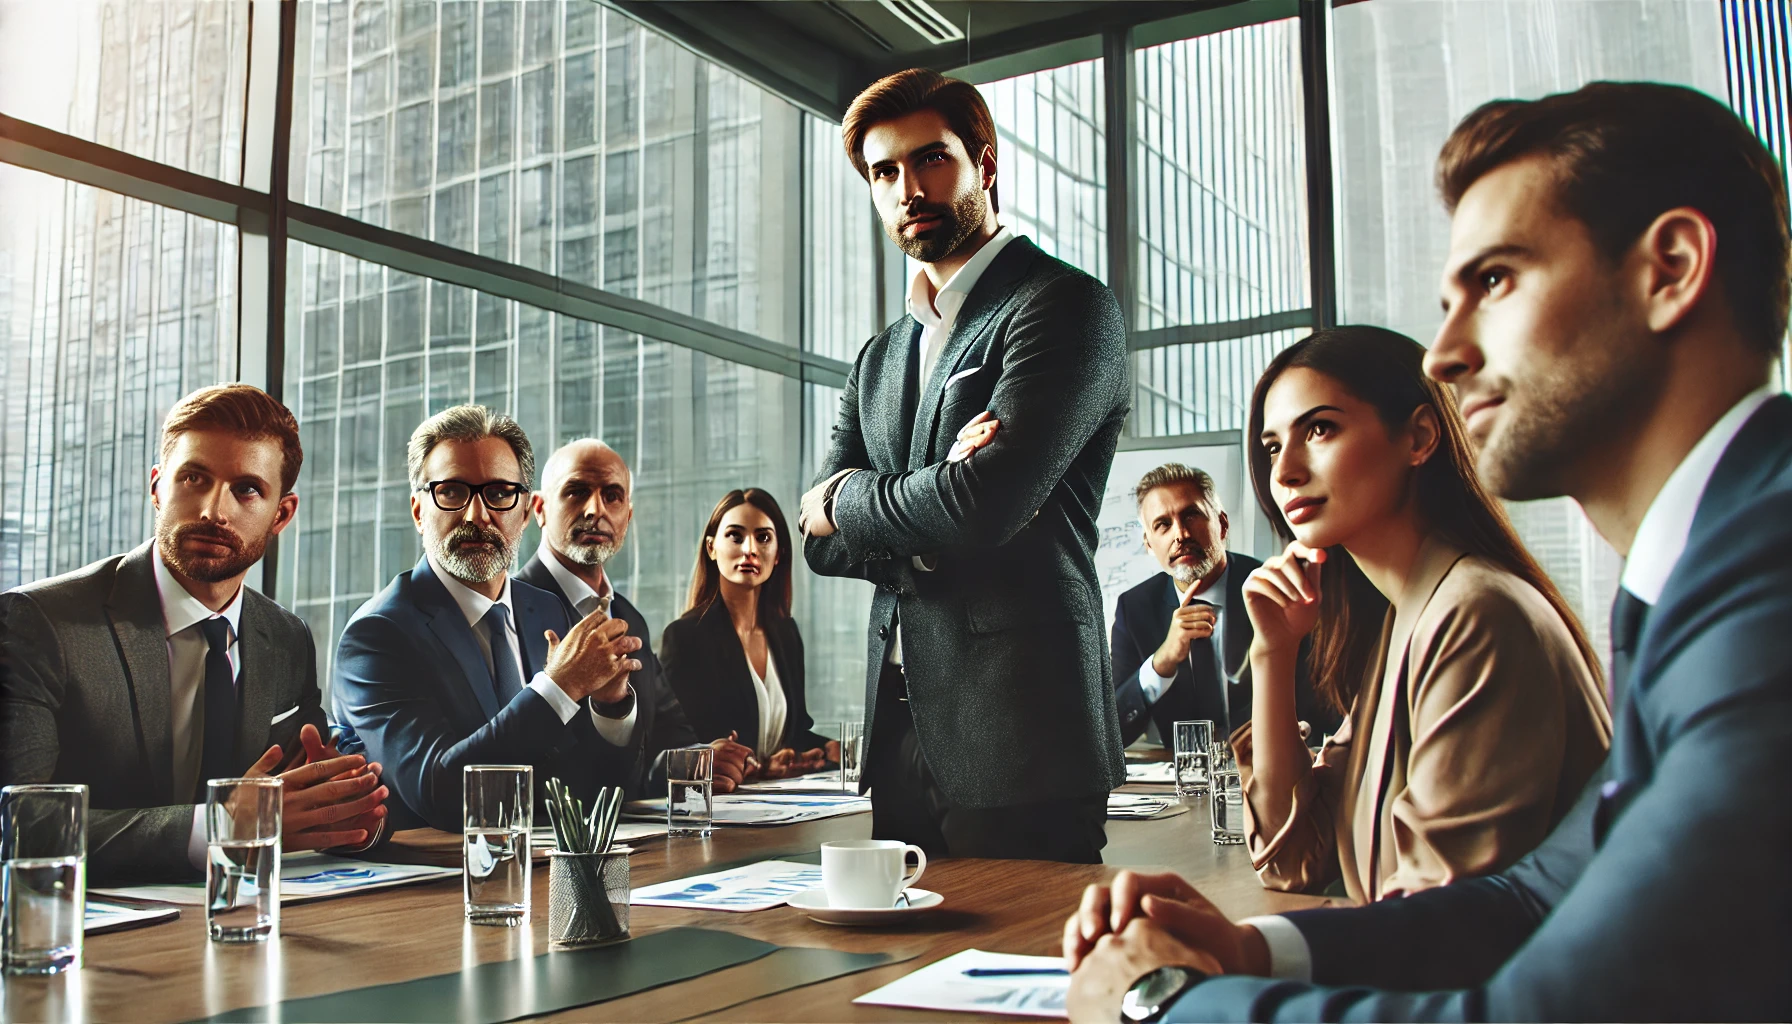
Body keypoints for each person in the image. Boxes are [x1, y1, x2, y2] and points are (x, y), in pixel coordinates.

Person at [1061, 81, 1792, 1021]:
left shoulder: (1763, 585)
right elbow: (1530, 898)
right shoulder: (1688, 583)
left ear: (1672, 267)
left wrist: (1158, 1003)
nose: (1443, 353)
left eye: (1494, 280)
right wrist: (1251, 946)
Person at [799, 68, 1130, 863]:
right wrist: (926, 492)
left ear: (984, 164)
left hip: (1024, 732)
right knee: (900, 983)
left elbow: (984, 505)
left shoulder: (1063, 306)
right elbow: (816, 539)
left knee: (1026, 983)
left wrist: (850, 496)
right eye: (884, 172)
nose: (907, 187)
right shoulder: (881, 356)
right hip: (902, 736)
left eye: (931, 160)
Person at [1244, 326, 1609, 903]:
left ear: (1418, 437)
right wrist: (1272, 655)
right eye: (1270, 446)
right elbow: (1293, 863)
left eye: (1319, 429)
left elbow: (1434, 916)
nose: (1285, 470)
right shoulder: (1404, 621)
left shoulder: (1472, 615)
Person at [0, 385, 388, 883]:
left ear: (282, 515)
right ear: (158, 487)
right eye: (194, 478)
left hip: (243, 922)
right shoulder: (41, 621)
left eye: (246, 489)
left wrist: (347, 811)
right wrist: (221, 826)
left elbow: (304, 802)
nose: (212, 510)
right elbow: (18, 825)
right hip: (85, 932)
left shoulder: (286, 637)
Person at [332, 406, 657, 832]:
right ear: (417, 511)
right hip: (442, 885)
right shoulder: (378, 634)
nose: (477, 516)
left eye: (500, 493)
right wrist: (559, 688)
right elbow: (438, 789)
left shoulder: (548, 610)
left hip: (549, 870)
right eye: (451, 492)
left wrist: (610, 708)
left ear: (524, 512)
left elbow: (591, 789)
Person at [515, 438, 752, 798]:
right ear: (540, 509)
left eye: (612, 496)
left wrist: (700, 761)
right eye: (577, 492)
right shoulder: (510, 609)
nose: (596, 509)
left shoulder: (629, 617)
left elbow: (669, 740)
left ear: (628, 515)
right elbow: (535, 764)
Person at [1109, 464, 1339, 745]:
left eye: (1191, 515)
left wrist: (1297, 732)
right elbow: (1113, 733)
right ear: (1148, 544)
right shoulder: (1134, 608)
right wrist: (1162, 662)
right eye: (1163, 525)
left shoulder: (1278, 588)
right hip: (1181, 782)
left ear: (1223, 525)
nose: (1180, 534)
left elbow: (1324, 703)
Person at [661, 489, 837, 776]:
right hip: (718, 806)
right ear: (711, 547)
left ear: (778, 554)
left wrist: (832, 749)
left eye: (763, 537)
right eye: (735, 536)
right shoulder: (685, 638)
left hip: (782, 802)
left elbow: (794, 734)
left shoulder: (786, 634)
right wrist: (763, 767)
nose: (750, 549)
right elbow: (680, 746)